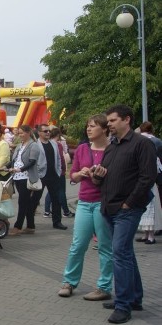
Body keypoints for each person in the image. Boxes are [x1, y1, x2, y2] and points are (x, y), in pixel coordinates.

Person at [91, 105, 157, 324]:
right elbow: (103, 177)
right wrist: (98, 176)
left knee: (120, 253)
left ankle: (123, 305)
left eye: (112, 120)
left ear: (126, 120)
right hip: (109, 207)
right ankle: (133, 298)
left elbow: (147, 177)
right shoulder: (112, 146)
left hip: (127, 209)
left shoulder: (142, 144)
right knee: (125, 253)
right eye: (108, 121)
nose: (108, 124)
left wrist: (129, 203)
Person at [58, 114, 113, 301]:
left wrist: (103, 174)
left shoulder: (113, 150)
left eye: (93, 126)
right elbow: (72, 175)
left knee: (105, 246)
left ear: (104, 129)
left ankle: (104, 286)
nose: (89, 129)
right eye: (88, 126)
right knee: (78, 245)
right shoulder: (82, 149)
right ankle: (69, 281)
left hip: (103, 203)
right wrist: (80, 174)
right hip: (84, 201)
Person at [7, 125, 46, 236]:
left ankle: (17, 226)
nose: (20, 135)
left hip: (26, 176)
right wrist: (5, 167)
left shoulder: (33, 145)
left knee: (22, 202)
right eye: (19, 133)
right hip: (17, 176)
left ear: (29, 132)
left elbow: (32, 161)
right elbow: (14, 160)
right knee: (27, 202)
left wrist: (20, 169)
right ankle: (30, 226)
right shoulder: (20, 145)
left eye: (22, 133)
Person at [38, 125, 68, 230]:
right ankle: (29, 223)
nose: (48, 133)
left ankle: (57, 222)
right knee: (34, 199)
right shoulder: (36, 144)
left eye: (49, 131)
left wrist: (59, 171)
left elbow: (59, 158)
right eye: (45, 131)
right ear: (39, 133)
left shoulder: (54, 144)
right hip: (41, 176)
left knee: (56, 200)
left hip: (54, 175)